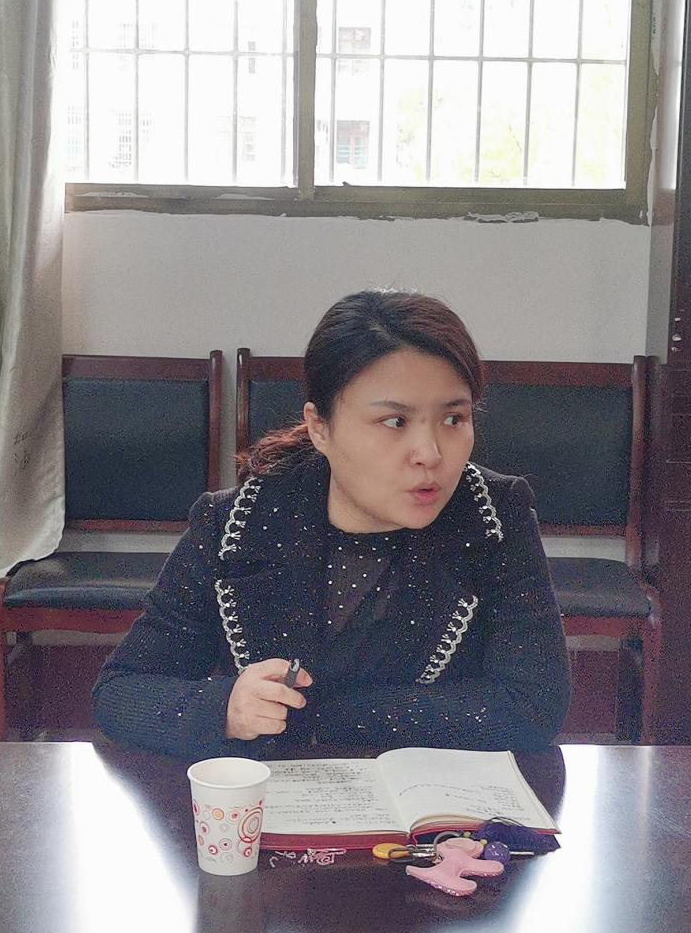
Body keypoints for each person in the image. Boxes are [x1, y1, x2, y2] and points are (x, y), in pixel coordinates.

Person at [93, 290, 571, 760]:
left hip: (432, 806)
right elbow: (121, 690)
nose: (430, 454)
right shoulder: (233, 523)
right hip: (275, 802)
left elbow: (532, 707)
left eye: (453, 419)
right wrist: (224, 709)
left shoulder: (495, 516)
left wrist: (322, 716)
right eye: (394, 422)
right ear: (320, 427)